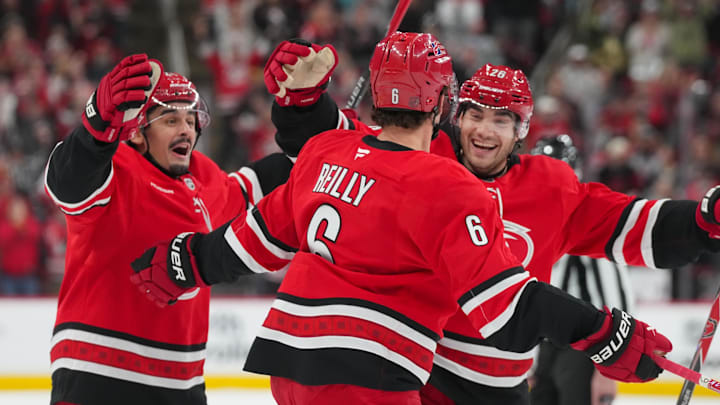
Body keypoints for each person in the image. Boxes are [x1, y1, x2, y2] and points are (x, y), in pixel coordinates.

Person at [130, 32, 671, 405]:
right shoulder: (448, 184)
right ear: (441, 108)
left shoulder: (327, 153)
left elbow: (257, 239)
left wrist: (185, 263)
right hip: (370, 370)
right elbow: (506, 307)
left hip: (288, 361)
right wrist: (604, 332)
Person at [258, 44, 720, 404]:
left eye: (502, 120)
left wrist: (703, 222)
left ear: (521, 131)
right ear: (453, 115)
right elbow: (343, 143)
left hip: (499, 388)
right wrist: (303, 103)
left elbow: (634, 225)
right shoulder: (422, 156)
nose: (484, 131)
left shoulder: (552, 187)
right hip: (420, 373)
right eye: (475, 115)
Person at [42, 50, 334, 405]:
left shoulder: (203, 177)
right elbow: (66, 183)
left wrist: (327, 136)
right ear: (136, 133)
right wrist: (95, 127)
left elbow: (272, 180)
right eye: (170, 120)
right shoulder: (116, 167)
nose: (186, 129)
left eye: (191, 120)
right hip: (97, 375)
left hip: (183, 384)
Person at [528, 135, 634, 405]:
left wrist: (607, 370)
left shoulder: (587, 218)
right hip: (547, 347)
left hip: (584, 348)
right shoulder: (535, 222)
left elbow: (617, 297)